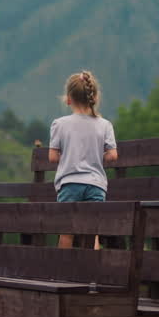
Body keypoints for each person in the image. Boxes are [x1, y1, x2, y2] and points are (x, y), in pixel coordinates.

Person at [48, 70, 117, 248]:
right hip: (96, 185)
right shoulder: (105, 125)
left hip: (70, 184)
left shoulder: (60, 124)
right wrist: (96, 155)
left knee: (66, 233)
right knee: (92, 233)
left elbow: (52, 157)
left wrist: (69, 154)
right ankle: (92, 271)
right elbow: (112, 155)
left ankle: (63, 273)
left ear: (69, 98)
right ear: (93, 97)